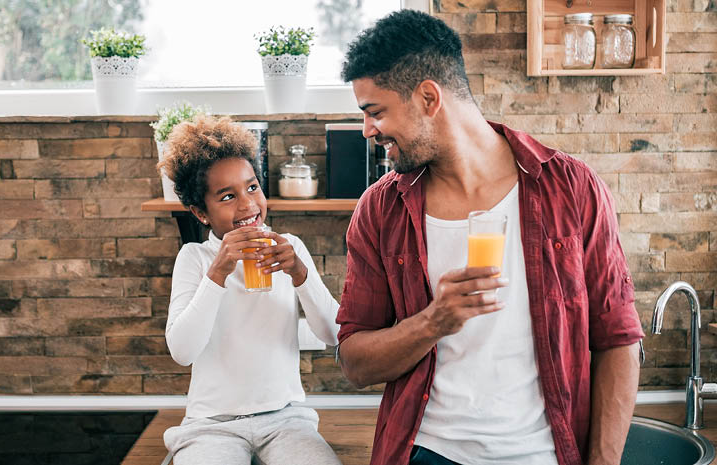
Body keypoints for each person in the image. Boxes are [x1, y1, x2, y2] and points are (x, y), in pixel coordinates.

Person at [335, 10, 643, 465]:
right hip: (426, 452)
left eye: (375, 112)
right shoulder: (381, 210)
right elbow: (355, 362)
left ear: (428, 97)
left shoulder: (571, 188)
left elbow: (618, 338)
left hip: (542, 453)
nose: (367, 131)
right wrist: (433, 321)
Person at [158, 115, 343, 465]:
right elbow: (182, 351)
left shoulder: (290, 248)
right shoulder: (195, 259)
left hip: (286, 420)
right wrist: (218, 272)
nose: (247, 205)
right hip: (211, 425)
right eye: (228, 196)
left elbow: (334, 333)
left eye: (252, 187)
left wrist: (300, 274)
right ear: (201, 212)